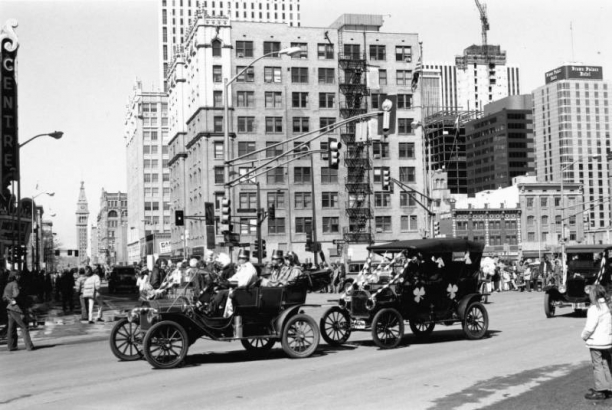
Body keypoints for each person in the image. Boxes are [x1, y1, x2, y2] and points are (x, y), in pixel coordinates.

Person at [581, 284, 612, 400]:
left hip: (596, 342)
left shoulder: (594, 308)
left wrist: (584, 336)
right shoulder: (608, 306)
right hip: (607, 341)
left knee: (597, 365)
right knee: (607, 364)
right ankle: (609, 387)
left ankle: (600, 390)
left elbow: (590, 327)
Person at [3, 271, 35, 351]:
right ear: (15, 276)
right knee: (24, 326)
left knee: (11, 327)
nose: (19, 277)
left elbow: (4, 297)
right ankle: (29, 346)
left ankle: (12, 346)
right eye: (18, 275)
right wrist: (18, 298)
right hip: (16, 308)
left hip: (9, 308)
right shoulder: (15, 284)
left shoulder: (8, 284)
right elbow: (16, 294)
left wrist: (10, 300)